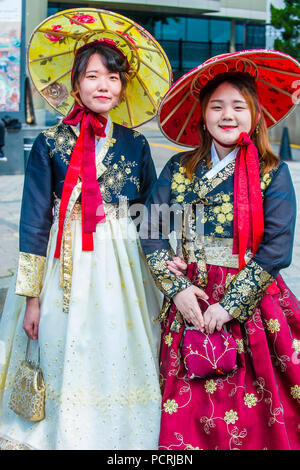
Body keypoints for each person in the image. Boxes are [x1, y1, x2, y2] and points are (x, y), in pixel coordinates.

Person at [0, 8, 172, 450]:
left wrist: (171, 263)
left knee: (120, 344)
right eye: (93, 76)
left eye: (113, 78)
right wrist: (31, 297)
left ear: (122, 88)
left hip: (122, 266)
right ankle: (63, 429)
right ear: (76, 83)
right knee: (62, 342)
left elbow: (150, 212)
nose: (103, 86)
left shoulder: (135, 143)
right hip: (64, 260)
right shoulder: (50, 142)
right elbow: (35, 220)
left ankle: (119, 430)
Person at [140, 50, 300, 450]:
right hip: (191, 297)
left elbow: (277, 249)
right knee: (186, 408)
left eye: (238, 106)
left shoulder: (272, 172)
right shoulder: (179, 168)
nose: (228, 115)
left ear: (255, 115)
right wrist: (176, 289)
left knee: (255, 409)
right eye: (217, 106)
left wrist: (229, 306)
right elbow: (151, 229)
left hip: (252, 299)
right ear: (203, 116)